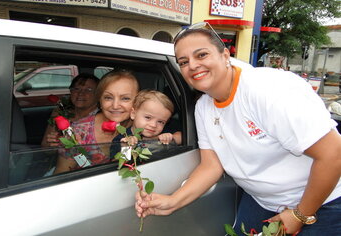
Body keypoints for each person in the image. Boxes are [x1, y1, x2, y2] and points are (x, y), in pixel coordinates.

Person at [135, 24, 341, 235]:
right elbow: (211, 166)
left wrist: (300, 214)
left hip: (323, 201)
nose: (193, 65)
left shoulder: (266, 90)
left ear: (225, 55)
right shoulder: (204, 107)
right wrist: (173, 201)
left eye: (202, 55)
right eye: (184, 62)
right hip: (263, 201)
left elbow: (333, 154)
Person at [54, 70, 139, 174]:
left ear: (137, 101)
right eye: (108, 97)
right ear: (100, 99)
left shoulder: (142, 128)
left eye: (125, 98)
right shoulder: (78, 132)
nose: (115, 105)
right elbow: (61, 174)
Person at [41, 73, 100, 147]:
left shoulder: (102, 117)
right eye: (76, 89)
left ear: (98, 94)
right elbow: (45, 147)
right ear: (71, 92)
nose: (80, 93)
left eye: (88, 90)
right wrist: (54, 144)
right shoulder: (60, 113)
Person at [112, 90, 182, 147]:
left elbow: (182, 136)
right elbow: (116, 161)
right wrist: (126, 147)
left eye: (160, 122)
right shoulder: (121, 138)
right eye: (148, 117)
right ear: (133, 114)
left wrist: (170, 137)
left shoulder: (164, 132)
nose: (153, 125)